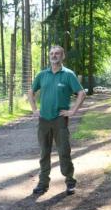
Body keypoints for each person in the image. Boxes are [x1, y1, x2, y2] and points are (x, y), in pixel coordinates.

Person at [27, 45, 86, 196]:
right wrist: (34, 109)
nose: (54, 56)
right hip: (44, 120)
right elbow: (31, 91)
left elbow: (81, 93)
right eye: (52, 53)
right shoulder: (42, 75)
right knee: (44, 153)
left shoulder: (68, 75)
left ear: (62, 56)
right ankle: (43, 183)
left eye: (57, 53)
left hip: (60, 119)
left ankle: (70, 181)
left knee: (64, 151)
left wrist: (73, 111)